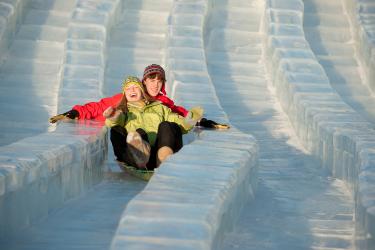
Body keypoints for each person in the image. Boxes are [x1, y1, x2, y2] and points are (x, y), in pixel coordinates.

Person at [49, 64, 229, 129]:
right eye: (152, 80)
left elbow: (181, 113)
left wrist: (203, 121)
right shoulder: (128, 96)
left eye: (159, 81)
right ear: (144, 82)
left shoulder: (163, 102)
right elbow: (97, 106)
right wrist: (73, 113)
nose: (155, 84)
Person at [104, 76, 202, 169]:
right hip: (135, 155)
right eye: (128, 88)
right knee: (120, 130)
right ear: (124, 94)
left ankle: (164, 158)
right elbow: (117, 120)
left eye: (135, 87)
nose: (132, 90)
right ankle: (140, 156)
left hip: (159, 152)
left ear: (142, 91)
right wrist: (114, 116)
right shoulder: (124, 111)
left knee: (167, 125)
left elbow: (176, 121)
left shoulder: (159, 107)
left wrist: (190, 120)